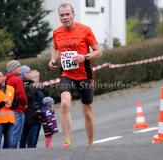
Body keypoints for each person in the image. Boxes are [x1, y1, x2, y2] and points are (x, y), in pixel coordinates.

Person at [48, 3, 102, 147]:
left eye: (67, 14)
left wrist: (84, 57)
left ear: (73, 15)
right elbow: (54, 47)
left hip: (85, 75)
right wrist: (53, 59)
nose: (65, 17)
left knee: (87, 110)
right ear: (59, 17)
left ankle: (90, 142)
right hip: (67, 74)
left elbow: (98, 51)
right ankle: (67, 140)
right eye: (62, 15)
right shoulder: (57, 33)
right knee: (65, 103)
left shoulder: (85, 30)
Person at [0, 70, 18, 149]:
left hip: (10, 121)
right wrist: (3, 102)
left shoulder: (11, 89)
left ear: (4, 77)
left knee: (9, 145)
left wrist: (11, 105)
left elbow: (16, 103)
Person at [19, 65, 42, 148]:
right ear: (23, 73)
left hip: (35, 114)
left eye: (29, 72)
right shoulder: (24, 84)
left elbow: (42, 98)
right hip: (29, 114)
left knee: (33, 137)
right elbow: (29, 97)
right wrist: (35, 88)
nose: (29, 73)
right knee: (25, 137)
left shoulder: (32, 84)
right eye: (27, 72)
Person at [6, 60, 27, 148]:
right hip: (18, 109)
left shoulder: (5, 79)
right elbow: (21, 95)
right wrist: (25, 104)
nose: (20, 68)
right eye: (18, 66)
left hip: (8, 110)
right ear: (13, 69)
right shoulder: (17, 80)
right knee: (16, 134)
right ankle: (13, 154)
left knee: (10, 133)